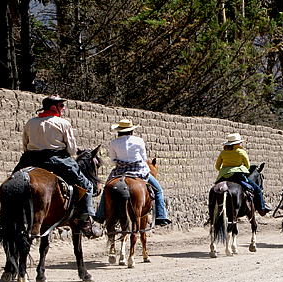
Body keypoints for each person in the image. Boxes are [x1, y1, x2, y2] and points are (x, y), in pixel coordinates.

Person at [12, 95, 101, 238]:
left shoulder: (31, 122)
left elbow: (25, 144)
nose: (63, 108)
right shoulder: (63, 123)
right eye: (61, 105)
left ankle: (6, 218)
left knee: (12, 181)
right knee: (87, 185)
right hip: (57, 160)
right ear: (54, 107)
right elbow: (71, 150)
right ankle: (85, 220)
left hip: (30, 159)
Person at [94, 119, 172, 226]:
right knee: (158, 191)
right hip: (139, 170)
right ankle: (161, 216)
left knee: (107, 187)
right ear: (131, 131)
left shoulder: (113, 143)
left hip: (120, 171)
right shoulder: (139, 141)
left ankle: (100, 214)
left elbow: (113, 160)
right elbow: (144, 157)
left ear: (119, 131)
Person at [215, 133, 272, 216]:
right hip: (238, 176)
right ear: (238, 143)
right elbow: (247, 166)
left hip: (223, 176)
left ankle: (212, 211)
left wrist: (225, 170)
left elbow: (217, 167)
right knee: (257, 189)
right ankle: (261, 209)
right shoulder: (242, 152)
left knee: (216, 189)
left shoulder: (223, 153)